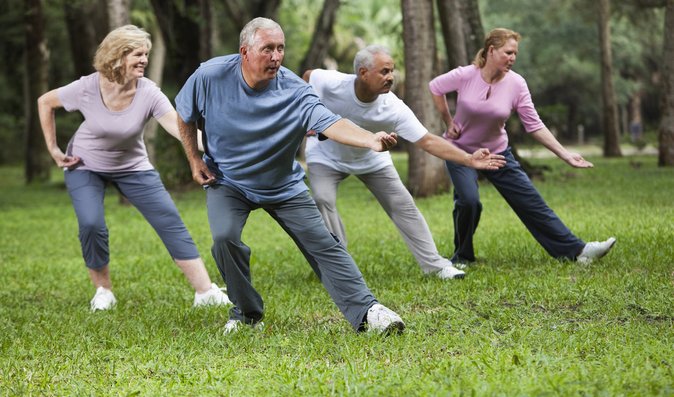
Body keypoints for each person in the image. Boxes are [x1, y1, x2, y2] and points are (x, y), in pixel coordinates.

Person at [175, 17, 405, 334]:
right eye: (267, 48)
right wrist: (193, 159)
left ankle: (368, 312)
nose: (276, 56)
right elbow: (184, 115)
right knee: (224, 238)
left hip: (282, 185)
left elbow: (330, 122)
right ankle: (246, 315)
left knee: (324, 244)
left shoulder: (295, 90)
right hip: (227, 180)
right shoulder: (210, 76)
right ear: (244, 51)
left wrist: (370, 139)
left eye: (281, 48)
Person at [37, 25, 231, 311]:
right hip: (85, 164)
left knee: (169, 221)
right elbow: (45, 102)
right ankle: (103, 290)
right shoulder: (87, 87)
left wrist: (224, 146)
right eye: (137, 54)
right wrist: (53, 149)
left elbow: (180, 129)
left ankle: (205, 291)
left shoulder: (149, 93)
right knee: (91, 224)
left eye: (146, 55)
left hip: (132, 165)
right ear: (117, 55)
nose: (144, 60)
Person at [302, 45, 506, 280]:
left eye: (392, 71)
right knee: (323, 199)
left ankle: (436, 265)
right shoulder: (333, 82)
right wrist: (310, 114)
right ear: (363, 72)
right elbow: (308, 76)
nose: (391, 77)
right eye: (384, 71)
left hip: (372, 158)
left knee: (404, 206)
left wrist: (468, 159)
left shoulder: (393, 107)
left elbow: (428, 141)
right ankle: (338, 267)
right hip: (326, 155)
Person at [428, 28, 616, 265]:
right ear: (491, 50)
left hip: (497, 153)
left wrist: (565, 155)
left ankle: (578, 251)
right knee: (468, 201)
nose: (513, 58)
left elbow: (534, 125)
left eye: (515, 53)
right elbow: (435, 87)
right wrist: (448, 120)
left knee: (531, 202)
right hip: (461, 151)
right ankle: (463, 256)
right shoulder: (466, 75)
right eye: (508, 52)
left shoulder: (516, 84)